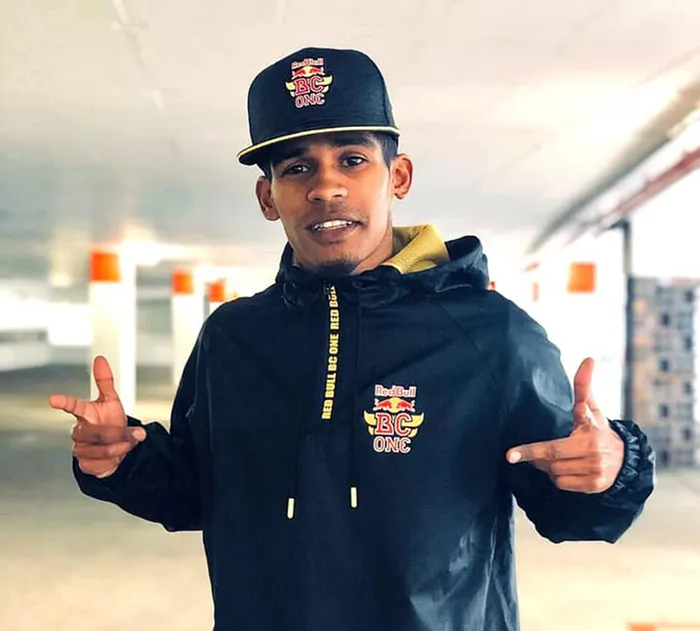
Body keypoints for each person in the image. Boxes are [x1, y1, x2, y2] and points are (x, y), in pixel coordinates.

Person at [50, 46, 655, 631]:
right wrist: (123, 458)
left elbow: (570, 511)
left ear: (399, 176)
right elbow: (195, 493)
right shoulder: (232, 338)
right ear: (268, 197)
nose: (326, 187)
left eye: (352, 159)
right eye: (297, 169)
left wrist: (612, 467)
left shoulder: (491, 336)